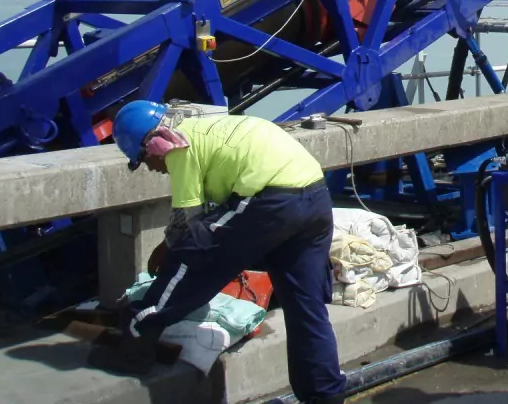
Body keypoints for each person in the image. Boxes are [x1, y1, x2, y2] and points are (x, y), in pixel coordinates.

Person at [87, 100, 346, 404]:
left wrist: (165, 251)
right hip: (314, 196)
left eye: (144, 160)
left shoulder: (179, 148)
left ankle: (140, 329)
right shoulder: (205, 128)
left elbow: (186, 228)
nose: (151, 169)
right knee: (306, 307)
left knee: (191, 251)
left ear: (154, 145)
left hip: (271, 198)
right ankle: (325, 396)